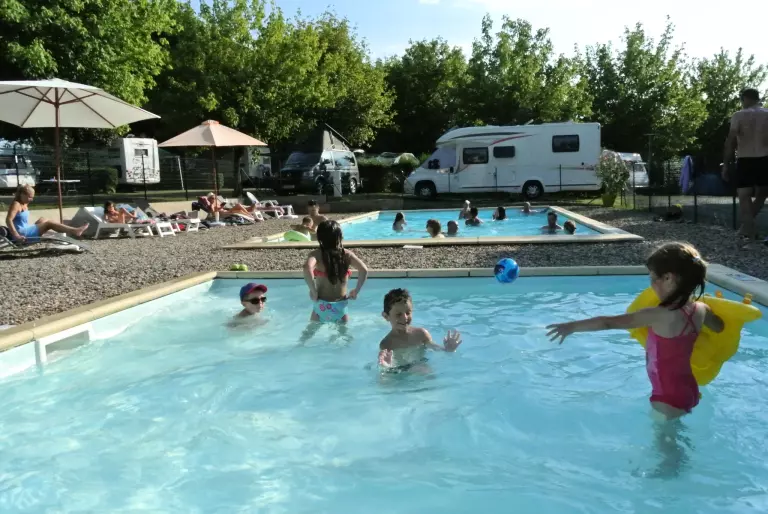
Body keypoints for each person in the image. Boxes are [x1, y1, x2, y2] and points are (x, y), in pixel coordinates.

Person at [546, 243, 724, 419]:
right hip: (688, 388)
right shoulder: (701, 309)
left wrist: (572, 326)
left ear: (668, 278)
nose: (651, 285)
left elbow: (608, 323)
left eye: (653, 278)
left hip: (667, 395)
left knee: (665, 437)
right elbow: (719, 327)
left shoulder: (659, 315)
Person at [302, 220, 369, 329]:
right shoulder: (347, 255)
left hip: (321, 305)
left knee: (309, 333)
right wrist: (356, 290)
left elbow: (307, 267)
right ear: (340, 237)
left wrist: (313, 291)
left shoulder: (316, 254)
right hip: (340, 307)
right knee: (344, 335)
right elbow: (364, 270)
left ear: (319, 238)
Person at [378, 288, 463, 373]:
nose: (405, 318)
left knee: (423, 369)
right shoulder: (386, 344)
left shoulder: (421, 334)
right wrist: (386, 367)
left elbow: (435, 348)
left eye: (408, 313)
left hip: (422, 368)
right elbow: (389, 370)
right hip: (402, 372)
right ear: (386, 316)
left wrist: (448, 349)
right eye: (398, 314)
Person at [722, 88, 768, 241]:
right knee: (762, 194)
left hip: (745, 158)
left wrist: (726, 165)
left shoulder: (739, 115)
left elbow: (730, 142)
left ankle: (748, 230)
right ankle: (747, 228)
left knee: (744, 195)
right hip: (765, 158)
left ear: (745, 98)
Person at [5, 185, 88, 242]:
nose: (31, 200)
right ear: (22, 194)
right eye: (30, 197)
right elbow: (8, 220)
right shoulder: (16, 204)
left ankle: (65, 231)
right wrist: (16, 235)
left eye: (32, 197)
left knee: (43, 219)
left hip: (25, 229)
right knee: (48, 224)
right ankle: (75, 231)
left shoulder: (24, 203)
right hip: (21, 233)